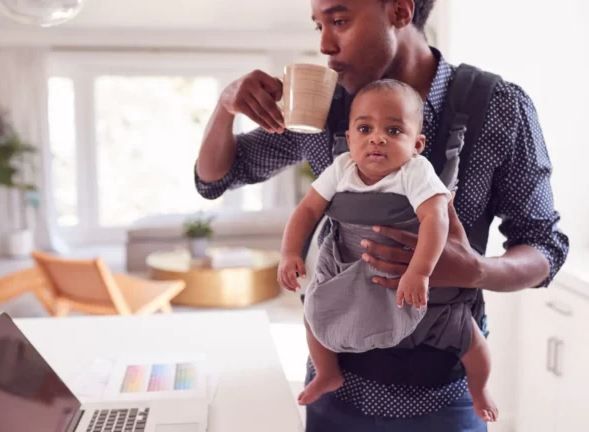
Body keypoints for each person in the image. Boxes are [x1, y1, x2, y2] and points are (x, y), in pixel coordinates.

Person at [193, 0, 569, 429]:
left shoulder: (499, 107)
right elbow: (216, 178)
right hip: (336, 388)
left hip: (446, 393)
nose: (324, 45)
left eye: (339, 21)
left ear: (400, 12)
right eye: (318, 26)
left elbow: (546, 248)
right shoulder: (321, 107)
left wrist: (474, 270)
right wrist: (225, 109)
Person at [276, 78, 498, 423]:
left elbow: (435, 218)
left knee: (470, 339)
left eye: (394, 131)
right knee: (314, 317)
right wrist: (289, 252)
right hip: (350, 275)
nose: (377, 138)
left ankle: (480, 389)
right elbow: (306, 210)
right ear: (350, 139)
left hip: (409, 284)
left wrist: (419, 271)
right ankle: (327, 372)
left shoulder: (415, 172)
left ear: (417, 144)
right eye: (365, 128)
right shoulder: (343, 169)